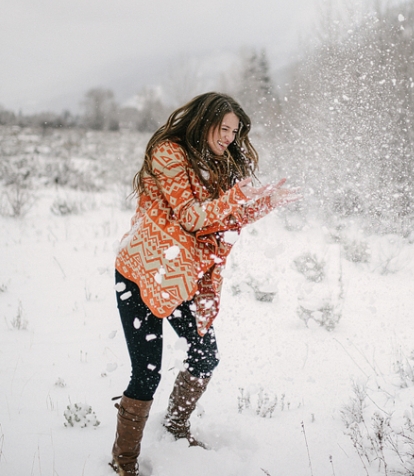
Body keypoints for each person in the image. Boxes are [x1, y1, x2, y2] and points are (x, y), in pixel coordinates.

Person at [109, 91, 297, 476]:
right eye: (223, 127)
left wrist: (264, 203)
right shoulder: (169, 152)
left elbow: (223, 219)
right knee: (147, 372)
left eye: (235, 130)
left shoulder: (219, 163)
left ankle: (176, 425)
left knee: (205, 355)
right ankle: (124, 461)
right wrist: (233, 198)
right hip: (142, 272)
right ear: (204, 120)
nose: (229, 136)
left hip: (181, 277)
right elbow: (192, 217)